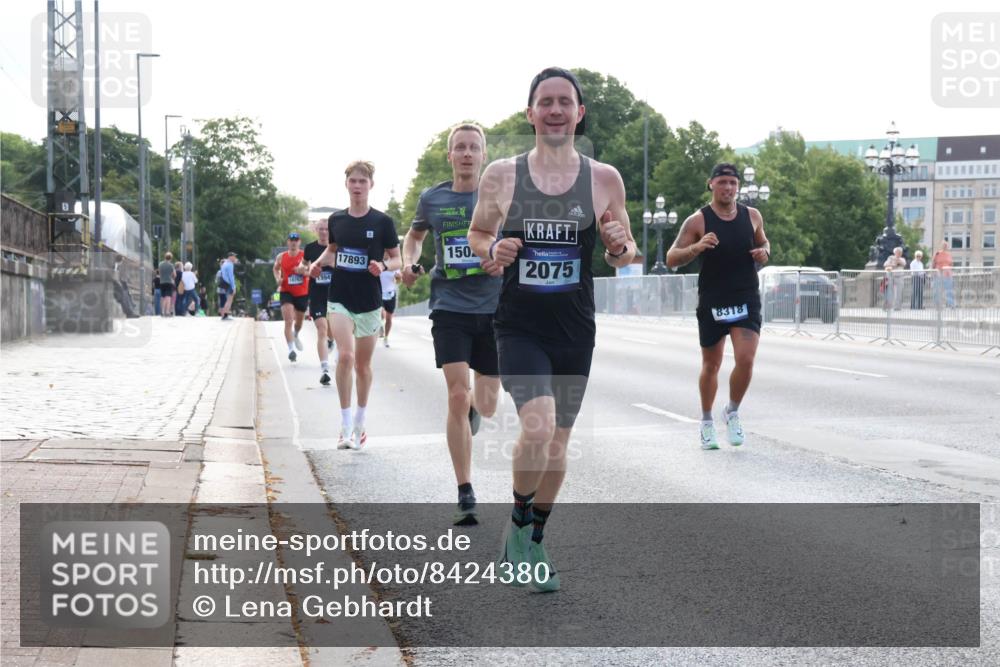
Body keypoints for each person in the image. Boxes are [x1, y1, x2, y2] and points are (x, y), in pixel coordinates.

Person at [468, 68, 634, 591]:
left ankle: (534, 537)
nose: (556, 110)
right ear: (531, 113)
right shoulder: (502, 175)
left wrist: (617, 245)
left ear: (579, 113)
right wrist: (493, 248)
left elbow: (625, 252)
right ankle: (518, 526)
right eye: (546, 102)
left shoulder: (604, 179)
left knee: (558, 442)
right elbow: (478, 233)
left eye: (565, 102)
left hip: (574, 328)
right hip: (519, 325)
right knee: (538, 427)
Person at [401, 123, 502, 526]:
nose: (466, 153)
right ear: (450, 156)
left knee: (487, 404)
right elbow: (414, 238)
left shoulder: (500, 196)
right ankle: (465, 491)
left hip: (494, 308)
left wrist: (502, 259)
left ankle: (477, 406)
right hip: (449, 307)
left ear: (483, 155)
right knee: (457, 396)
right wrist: (410, 262)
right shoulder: (433, 198)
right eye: (460, 147)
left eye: (473, 147)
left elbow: (521, 241)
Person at [666, 163, 771, 451]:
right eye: (722, 182)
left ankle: (732, 411)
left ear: (738, 187)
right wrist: (697, 247)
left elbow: (764, 242)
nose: (728, 187)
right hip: (714, 298)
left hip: (745, 296)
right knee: (711, 364)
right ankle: (707, 421)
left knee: (746, 359)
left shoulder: (752, 215)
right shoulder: (698, 220)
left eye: (733, 183)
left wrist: (764, 252)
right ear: (711, 184)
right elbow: (672, 257)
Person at [309, 160, 401, 450]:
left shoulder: (383, 222)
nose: (358, 186)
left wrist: (383, 265)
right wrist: (317, 263)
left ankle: (360, 421)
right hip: (340, 298)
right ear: (346, 184)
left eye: (363, 181)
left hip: (370, 301)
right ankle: (345, 424)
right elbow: (332, 250)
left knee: (362, 365)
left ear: (371, 185)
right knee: (346, 356)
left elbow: (398, 259)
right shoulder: (337, 220)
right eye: (353, 181)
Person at [304, 220, 337, 385]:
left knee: (331, 330)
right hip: (317, 296)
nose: (324, 232)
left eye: (326, 229)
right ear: (316, 230)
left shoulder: (336, 247)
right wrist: (308, 270)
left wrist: (331, 264)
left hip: (335, 296)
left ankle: (332, 341)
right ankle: (325, 370)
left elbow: (344, 268)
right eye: (321, 229)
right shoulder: (310, 248)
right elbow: (303, 266)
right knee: (322, 329)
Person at [274, 232, 310, 362]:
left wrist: (303, 272)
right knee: (288, 320)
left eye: (296, 240)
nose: (293, 242)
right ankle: (291, 350)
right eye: (291, 240)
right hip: (286, 291)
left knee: (298, 323)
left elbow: (311, 272)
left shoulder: (305, 256)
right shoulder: (281, 256)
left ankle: (296, 334)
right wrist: (278, 279)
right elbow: (275, 269)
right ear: (287, 242)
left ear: (299, 242)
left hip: (302, 293)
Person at [379, 264, 400, 348]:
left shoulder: (395, 264)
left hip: (391, 294)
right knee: (381, 313)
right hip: (379, 293)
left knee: (389, 318)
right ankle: (380, 326)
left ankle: (386, 337)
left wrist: (398, 277)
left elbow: (399, 281)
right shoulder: (380, 262)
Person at [932, 241, 955, 307]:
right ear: (941, 246)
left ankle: (951, 304)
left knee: (949, 290)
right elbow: (933, 264)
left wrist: (950, 270)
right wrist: (934, 272)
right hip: (938, 274)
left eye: (946, 245)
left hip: (947, 274)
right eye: (944, 245)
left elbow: (951, 264)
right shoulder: (937, 254)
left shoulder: (949, 255)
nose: (945, 246)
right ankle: (937, 304)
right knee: (937, 290)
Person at [883, 246, 906, 310]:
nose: (899, 253)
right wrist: (892, 264)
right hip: (891, 276)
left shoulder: (902, 259)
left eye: (900, 252)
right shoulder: (890, 258)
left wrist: (897, 260)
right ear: (895, 252)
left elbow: (903, 264)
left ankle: (897, 307)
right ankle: (888, 306)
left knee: (899, 292)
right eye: (898, 252)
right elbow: (885, 265)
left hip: (900, 277)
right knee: (889, 292)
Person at [219, 252, 238, 320]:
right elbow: (231, 277)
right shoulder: (230, 264)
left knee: (228, 300)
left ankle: (224, 315)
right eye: (234, 256)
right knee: (229, 300)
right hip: (229, 283)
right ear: (230, 257)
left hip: (224, 283)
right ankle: (225, 315)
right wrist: (234, 287)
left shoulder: (225, 263)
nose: (235, 257)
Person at [158, 252, 175, 317]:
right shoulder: (171, 265)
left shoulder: (160, 264)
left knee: (162, 297)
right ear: (171, 258)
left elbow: (160, 273)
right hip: (169, 282)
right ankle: (167, 312)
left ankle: (162, 311)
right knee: (168, 297)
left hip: (162, 282)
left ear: (165, 257)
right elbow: (174, 275)